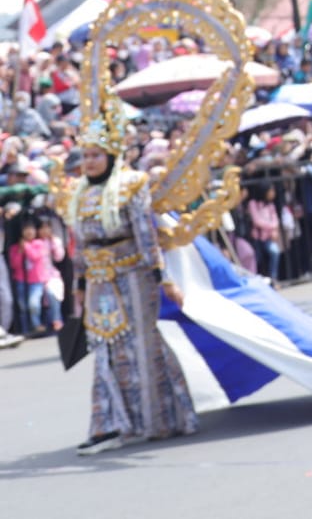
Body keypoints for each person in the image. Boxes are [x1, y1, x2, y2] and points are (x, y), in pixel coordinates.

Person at [64, 102, 198, 455]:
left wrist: (163, 278)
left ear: (111, 155)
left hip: (134, 274)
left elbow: (145, 234)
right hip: (98, 280)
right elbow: (78, 245)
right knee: (105, 349)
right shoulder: (79, 192)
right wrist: (78, 286)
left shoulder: (132, 184)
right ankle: (109, 423)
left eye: (96, 154)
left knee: (141, 344)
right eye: (85, 154)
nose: (89, 161)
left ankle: (160, 420)